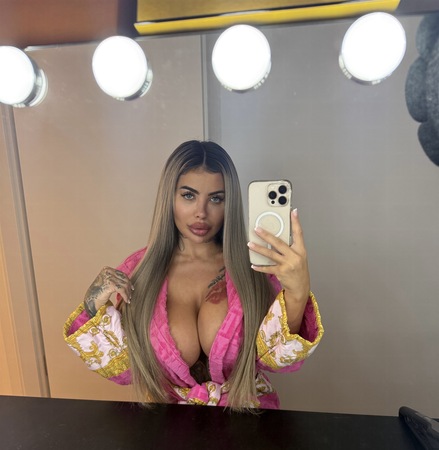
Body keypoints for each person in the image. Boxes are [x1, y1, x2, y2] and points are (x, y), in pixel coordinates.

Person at [63, 140, 323, 410]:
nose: (201, 212)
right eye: (188, 196)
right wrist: (92, 305)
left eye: (216, 198)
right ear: (170, 197)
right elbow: (125, 370)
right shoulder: (140, 270)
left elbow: (277, 360)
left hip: (248, 420)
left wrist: (297, 292)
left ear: (229, 203)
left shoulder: (254, 269)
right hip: (167, 423)